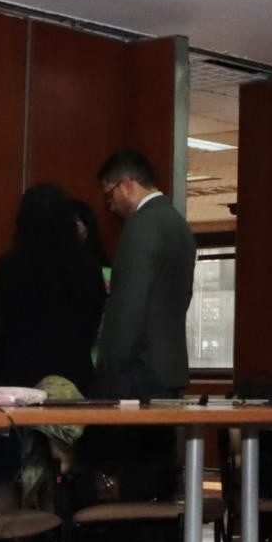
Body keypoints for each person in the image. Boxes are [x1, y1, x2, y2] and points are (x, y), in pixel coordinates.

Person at [93, 149, 194, 400]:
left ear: (127, 185)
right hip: (169, 370)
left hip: (137, 374)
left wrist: (107, 369)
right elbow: (184, 296)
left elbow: (128, 305)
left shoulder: (140, 225)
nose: (111, 206)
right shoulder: (178, 224)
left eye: (109, 196)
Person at [0, 183, 106, 393]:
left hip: (19, 377)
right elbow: (93, 320)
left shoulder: (9, 265)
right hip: (74, 375)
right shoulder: (89, 267)